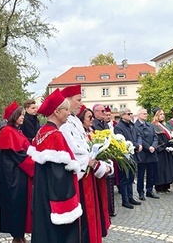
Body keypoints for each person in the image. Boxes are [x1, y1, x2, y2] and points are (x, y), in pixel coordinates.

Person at [28, 89, 82, 243]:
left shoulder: (41, 132)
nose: (68, 113)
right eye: (66, 110)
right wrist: (66, 205)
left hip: (42, 194)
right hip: (55, 198)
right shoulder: (55, 136)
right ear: (57, 112)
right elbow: (59, 176)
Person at [59, 85, 111, 243]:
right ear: (67, 101)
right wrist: (94, 163)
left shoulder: (74, 120)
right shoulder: (65, 125)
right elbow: (74, 151)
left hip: (88, 172)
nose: (81, 104)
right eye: (78, 100)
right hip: (81, 174)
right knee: (83, 221)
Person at [0, 101, 34, 243]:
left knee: (21, 206)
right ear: (13, 116)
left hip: (20, 174)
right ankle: (17, 237)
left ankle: (20, 235)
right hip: (14, 177)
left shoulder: (16, 130)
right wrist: (34, 168)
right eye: (20, 114)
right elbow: (19, 156)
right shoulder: (7, 132)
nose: (23, 117)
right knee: (16, 206)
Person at [78, 105, 112, 240]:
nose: (92, 120)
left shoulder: (91, 131)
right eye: (89, 117)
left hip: (97, 174)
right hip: (87, 175)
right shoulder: (80, 134)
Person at [92, 103, 117, 217]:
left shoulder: (106, 124)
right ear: (95, 112)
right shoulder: (93, 124)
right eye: (101, 111)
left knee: (109, 183)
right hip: (98, 156)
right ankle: (103, 210)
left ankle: (110, 209)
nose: (104, 113)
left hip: (107, 155)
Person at [114, 107, 142, 209]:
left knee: (131, 178)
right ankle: (125, 200)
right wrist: (136, 145)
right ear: (122, 115)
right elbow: (123, 140)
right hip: (124, 156)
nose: (130, 115)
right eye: (128, 113)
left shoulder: (132, 125)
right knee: (124, 178)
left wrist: (139, 144)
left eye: (131, 113)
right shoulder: (118, 127)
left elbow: (138, 135)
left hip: (133, 154)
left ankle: (130, 197)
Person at [134, 108, 159, 200]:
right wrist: (148, 147)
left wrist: (154, 146)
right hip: (142, 153)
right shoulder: (135, 126)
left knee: (151, 174)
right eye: (144, 114)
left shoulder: (150, 125)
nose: (146, 115)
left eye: (146, 113)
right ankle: (140, 192)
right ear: (139, 115)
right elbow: (139, 138)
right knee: (140, 174)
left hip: (152, 153)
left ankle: (150, 190)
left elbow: (155, 137)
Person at [151, 107, 173, 193]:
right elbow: (156, 138)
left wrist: (171, 145)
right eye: (160, 114)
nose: (162, 116)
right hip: (160, 151)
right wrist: (164, 147)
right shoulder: (153, 125)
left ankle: (166, 185)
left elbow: (170, 136)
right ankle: (159, 186)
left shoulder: (165, 125)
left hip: (168, 150)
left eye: (163, 114)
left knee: (167, 168)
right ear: (156, 115)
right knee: (161, 168)